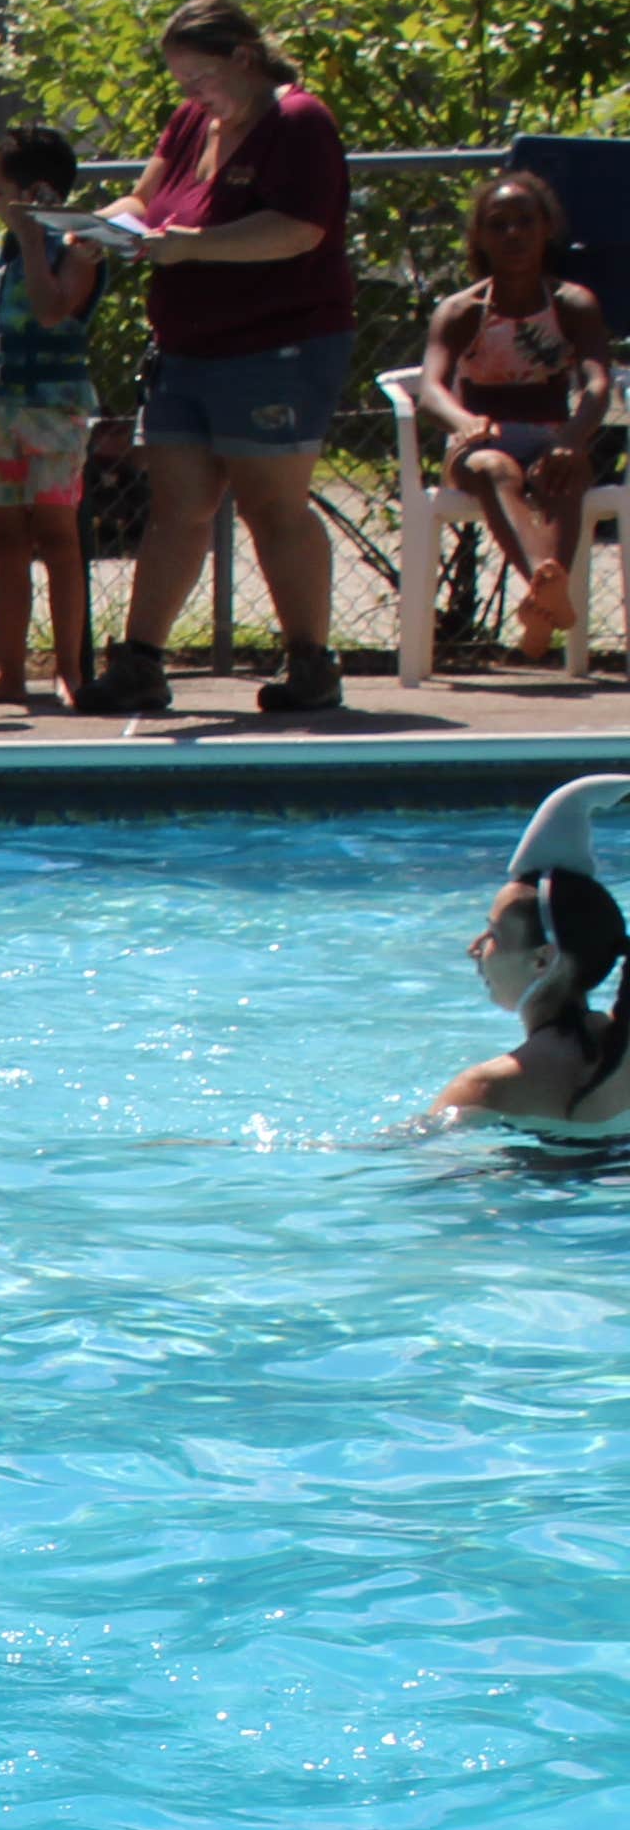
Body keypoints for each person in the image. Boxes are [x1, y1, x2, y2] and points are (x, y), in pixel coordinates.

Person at [81, 0, 360, 718]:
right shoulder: (191, 121)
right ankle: (141, 661)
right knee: (177, 508)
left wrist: (193, 248)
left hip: (276, 347)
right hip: (185, 347)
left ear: (243, 57)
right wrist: (89, 227)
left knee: (274, 507)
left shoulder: (298, 121)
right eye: (182, 85)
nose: (193, 96)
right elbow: (145, 203)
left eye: (201, 78)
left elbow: (299, 230)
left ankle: (310, 662)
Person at [413, 168, 616, 668]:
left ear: (547, 229)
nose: (514, 235)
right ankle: (546, 591)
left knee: (563, 470)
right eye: (499, 225)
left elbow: (597, 383)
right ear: (480, 237)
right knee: (495, 469)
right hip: (482, 441)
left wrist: (573, 435)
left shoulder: (572, 304)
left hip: (553, 435)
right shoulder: (462, 310)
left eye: (525, 222)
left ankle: (543, 604)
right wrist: (462, 421)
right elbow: (430, 389)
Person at [0, 131, 110, 708]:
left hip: (55, 410)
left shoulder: (77, 246)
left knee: (58, 538)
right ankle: (10, 670)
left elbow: (50, 310)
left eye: (0, 191)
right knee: (7, 538)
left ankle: (69, 670)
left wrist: (31, 237)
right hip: (2, 411)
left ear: (37, 191)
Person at [439, 774, 630, 1133]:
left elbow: (408, 1168)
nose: (474, 949)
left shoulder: (488, 1088)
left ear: (542, 960)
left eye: (493, 934)